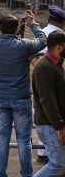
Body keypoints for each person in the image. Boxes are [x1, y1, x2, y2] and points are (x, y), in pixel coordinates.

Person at [0, 12, 47, 177]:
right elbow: (42, 40)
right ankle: (26, 174)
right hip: (21, 98)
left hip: (0, 98)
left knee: (2, 139)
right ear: (16, 29)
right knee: (23, 139)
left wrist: (16, 30)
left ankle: (0, 174)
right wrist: (33, 23)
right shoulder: (23, 46)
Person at [32, 30, 65, 176]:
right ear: (59, 48)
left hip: (54, 125)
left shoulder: (56, 64)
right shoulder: (44, 67)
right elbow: (48, 100)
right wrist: (59, 126)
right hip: (49, 125)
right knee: (58, 164)